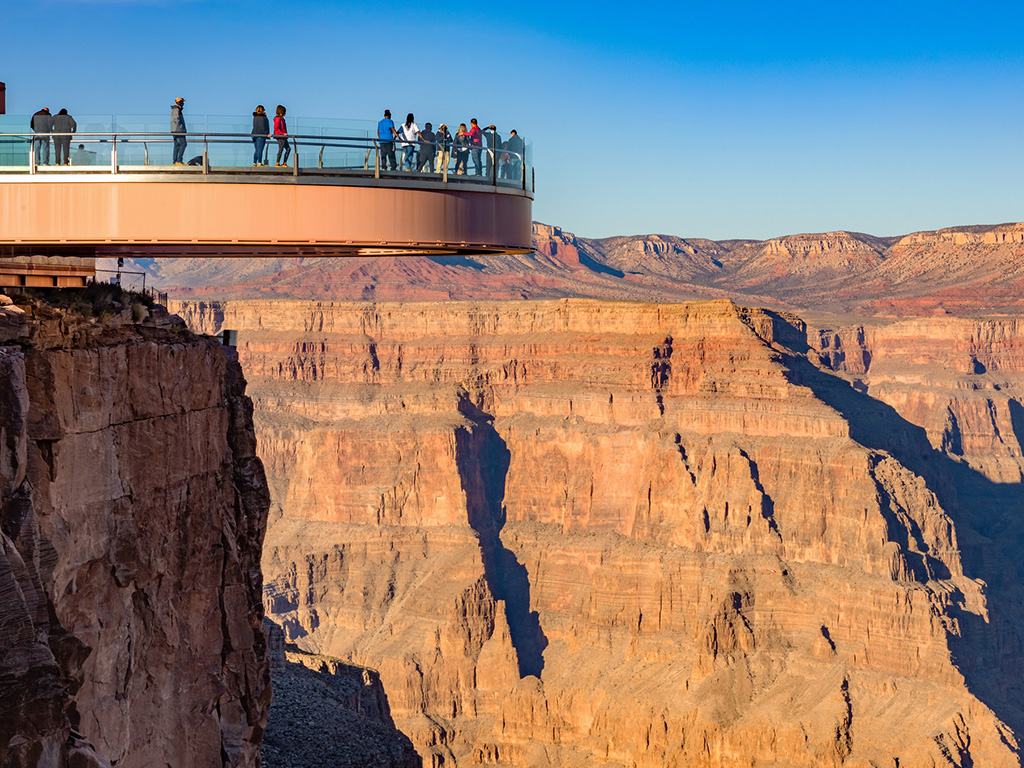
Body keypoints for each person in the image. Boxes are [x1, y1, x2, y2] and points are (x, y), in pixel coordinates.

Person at [170, 97, 187, 165]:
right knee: (183, 144)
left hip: (175, 129)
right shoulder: (176, 109)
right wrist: (181, 127)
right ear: (179, 102)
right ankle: (179, 160)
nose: (183, 103)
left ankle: (175, 161)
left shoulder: (176, 109)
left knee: (177, 145)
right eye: (182, 102)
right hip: (178, 130)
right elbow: (176, 119)